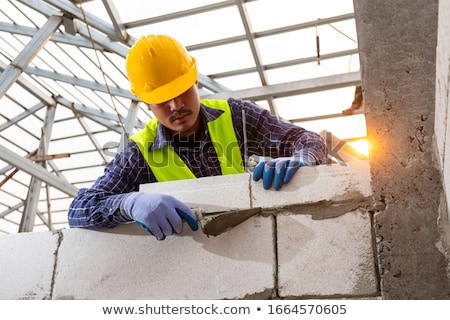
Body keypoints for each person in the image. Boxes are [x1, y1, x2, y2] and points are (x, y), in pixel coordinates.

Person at [68, 34, 327, 240]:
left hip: (248, 239)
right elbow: (80, 209)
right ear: (147, 103)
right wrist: (129, 202)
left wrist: (302, 158)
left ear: (194, 82)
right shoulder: (139, 153)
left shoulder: (235, 116)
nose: (176, 105)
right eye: (161, 100)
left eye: (181, 90)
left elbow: (305, 139)